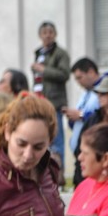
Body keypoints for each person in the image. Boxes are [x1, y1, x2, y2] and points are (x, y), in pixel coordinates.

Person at [72, 77, 108, 187]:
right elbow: (79, 149)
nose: (99, 96)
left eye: (103, 93)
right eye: (98, 93)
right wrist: (79, 180)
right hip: (88, 178)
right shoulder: (93, 119)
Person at [30, 21, 71, 166]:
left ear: (55, 34)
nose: (48, 35)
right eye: (44, 33)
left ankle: (58, 174)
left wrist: (43, 70)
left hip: (54, 103)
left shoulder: (61, 54)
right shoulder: (38, 53)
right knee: (43, 137)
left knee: (56, 138)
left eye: (50, 32)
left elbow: (65, 74)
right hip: (39, 101)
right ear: (40, 35)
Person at [65, 57, 105, 169]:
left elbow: (102, 116)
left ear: (91, 72)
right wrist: (72, 118)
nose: (78, 82)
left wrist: (81, 115)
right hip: (80, 152)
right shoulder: (86, 93)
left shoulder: (104, 91)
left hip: (93, 152)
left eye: (79, 78)